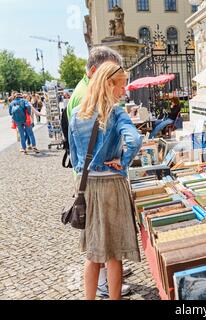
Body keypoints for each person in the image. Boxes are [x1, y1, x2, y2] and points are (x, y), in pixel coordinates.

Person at [68, 62, 143, 300]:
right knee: (114, 254)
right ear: (109, 83)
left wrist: (86, 171)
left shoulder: (77, 114)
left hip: (87, 185)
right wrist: (123, 160)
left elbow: (74, 156)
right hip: (111, 185)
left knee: (93, 253)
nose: (123, 91)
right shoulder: (116, 112)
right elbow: (134, 140)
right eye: (121, 86)